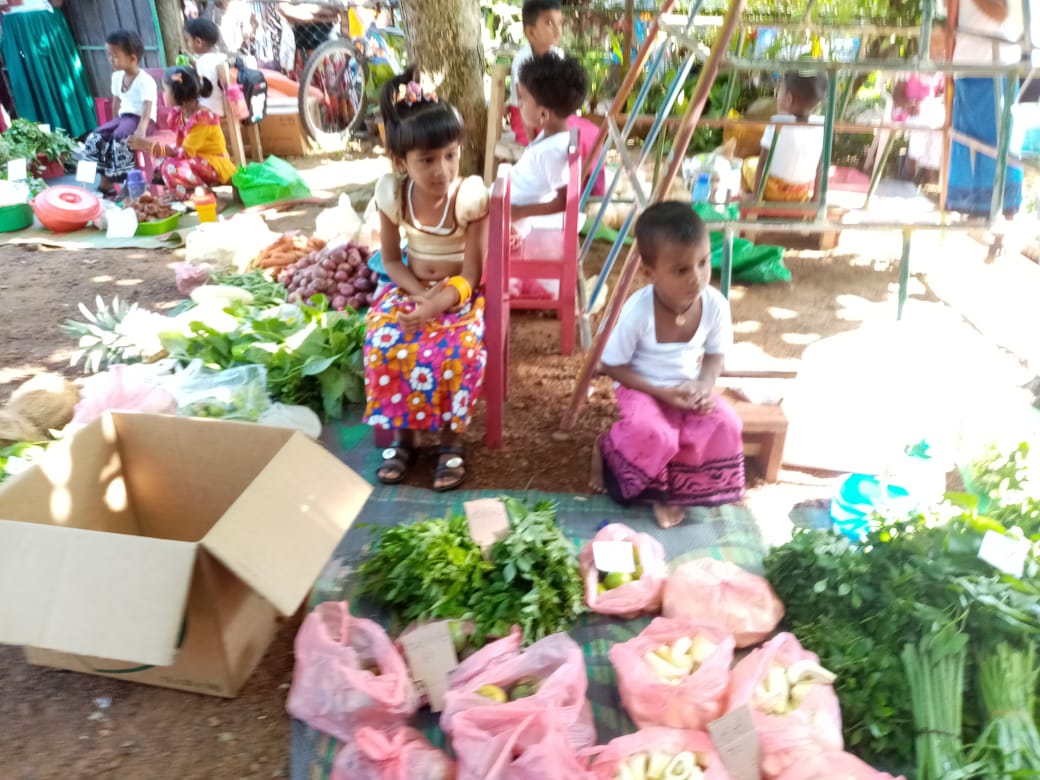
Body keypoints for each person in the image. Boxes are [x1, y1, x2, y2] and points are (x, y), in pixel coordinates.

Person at [363, 66, 490, 492]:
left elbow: (472, 274)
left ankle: (451, 442)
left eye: (450, 155)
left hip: (460, 296)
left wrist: (435, 303)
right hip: (409, 289)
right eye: (427, 160)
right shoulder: (392, 194)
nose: (442, 169)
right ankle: (406, 437)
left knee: (459, 350)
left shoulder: (469, 197)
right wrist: (419, 296)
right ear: (401, 162)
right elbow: (391, 261)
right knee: (385, 342)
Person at [591, 202, 745, 528]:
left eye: (703, 263)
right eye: (681, 270)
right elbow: (611, 366)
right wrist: (661, 393)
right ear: (650, 273)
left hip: (686, 386)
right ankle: (608, 451)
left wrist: (704, 386)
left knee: (725, 423)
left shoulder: (715, 304)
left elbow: (716, 354)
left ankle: (678, 493)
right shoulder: (638, 311)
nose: (697, 278)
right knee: (656, 433)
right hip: (640, 387)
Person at [947, 0, 1024, 215]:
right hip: (965, 65)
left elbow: (1001, 13)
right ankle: (974, 211)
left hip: (995, 66)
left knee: (998, 140)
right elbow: (949, 13)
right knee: (966, 140)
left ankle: (1005, 216)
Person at [128, 66, 235, 200]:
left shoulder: (203, 118)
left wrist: (148, 146)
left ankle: (204, 196)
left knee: (169, 166)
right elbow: (180, 147)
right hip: (199, 160)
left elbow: (183, 152)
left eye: (165, 90)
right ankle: (188, 192)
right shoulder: (183, 113)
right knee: (162, 161)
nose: (162, 93)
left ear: (178, 93)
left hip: (216, 165)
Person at [82, 30, 158, 197]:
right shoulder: (117, 77)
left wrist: (141, 131)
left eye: (115, 55)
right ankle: (105, 181)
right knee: (96, 137)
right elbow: (116, 102)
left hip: (142, 121)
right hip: (125, 118)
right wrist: (113, 122)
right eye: (109, 55)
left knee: (120, 138)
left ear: (132, 59)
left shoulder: (145, 81)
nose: (111, 59)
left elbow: (147, 109)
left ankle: (128, 183)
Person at [744, 70, 827, 202]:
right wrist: (815, 200)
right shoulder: (822, 125)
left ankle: (752, 195)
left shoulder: (777, 122)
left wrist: (757, 199)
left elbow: (762, 164)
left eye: (780, 91)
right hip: (800, 192)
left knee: (748, 164)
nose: (777, 95)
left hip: (772, 191)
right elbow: (820, 168)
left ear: (788, 99)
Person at [508, 0, 564, 146]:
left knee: (581, 134)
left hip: (549, 116)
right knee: (552, 142)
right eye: (549, 23)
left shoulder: (558, 56)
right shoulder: (523, 60)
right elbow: (523, 104)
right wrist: (533, 144)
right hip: (525, 117)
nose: (557, 29)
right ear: (531, 32)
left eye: (559, 22)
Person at [184, 17, 226, 117]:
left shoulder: (203, 62)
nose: (188, 44)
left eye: (188, 40)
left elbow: (202, 90)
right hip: (223, 106)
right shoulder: (220, 57)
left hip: (210, 110)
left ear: (198, 42)